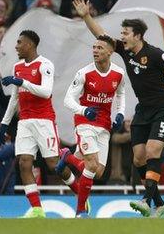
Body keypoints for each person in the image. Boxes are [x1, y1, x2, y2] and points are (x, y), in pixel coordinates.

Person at [72, 0, 164, 217]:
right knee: (138, 157)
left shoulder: (155, 54)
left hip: (163, 110)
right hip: (143, 110)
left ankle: (146, 199)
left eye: (126, 33)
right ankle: (159, 203)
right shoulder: (126, 51)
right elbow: (102, 36)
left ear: (137, 36)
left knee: (152, 151)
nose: (122, 36)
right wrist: (87, 16)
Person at [0, 30, 77, 218]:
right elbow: (15, 98)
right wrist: (4, 123)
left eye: (19, 42)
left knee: (54, 165)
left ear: (30, 45)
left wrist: (21, 81)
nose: (16, 46)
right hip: (24, 121)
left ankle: (81, 194)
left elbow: (46, 92)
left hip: (44, 121)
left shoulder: (45, 64)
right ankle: (37, 210)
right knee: (24, 163)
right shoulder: (17, 66)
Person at [58, 35, 126, 217]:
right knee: (91, 165)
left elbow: (121, 94)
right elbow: (67, 100)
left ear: (110, 52)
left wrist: (120, 113)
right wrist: (83, 110)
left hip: (104, 125)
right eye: (94, 47)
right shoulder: (84, 73)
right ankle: (81, 212)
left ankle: (67, 156)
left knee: (99, 172)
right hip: (84, 123)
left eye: (100, 48)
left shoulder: (119, 73)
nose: (95, 50)